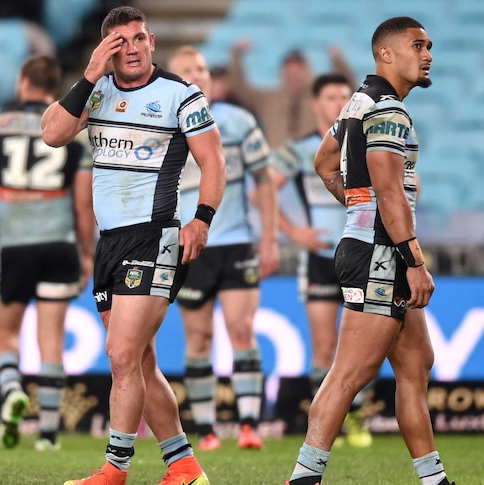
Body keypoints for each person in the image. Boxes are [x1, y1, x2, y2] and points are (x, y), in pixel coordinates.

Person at [42, 7, 225, 485]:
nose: (132, 47)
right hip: (110, 243)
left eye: (140, 37)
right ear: (106, 48)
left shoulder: (180, 95)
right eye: (120, 40)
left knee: (122, 355)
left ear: (152, 42)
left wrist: (201, 220)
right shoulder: (97, 91)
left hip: (156, 235)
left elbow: (214, 162)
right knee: (140, 360)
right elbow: (52, 133)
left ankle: (113, 471)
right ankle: (184, 466)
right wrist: (87, 75)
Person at [286, 17, 453, 485]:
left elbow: (323, 162)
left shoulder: (359, 101)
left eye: (430, 46)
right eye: (418, 45)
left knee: (416, 364)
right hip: (384, 253)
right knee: (349, 374)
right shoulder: (388, 110)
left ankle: (434, 479)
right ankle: (303, 477)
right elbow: (390, 192)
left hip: (375, 245)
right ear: (387, 54)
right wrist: (415, 261)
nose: (428, 55)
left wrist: (357, 208)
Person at [0, 55, 95, 452]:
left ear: (23, 82)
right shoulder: (72, 129)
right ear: (54, 88)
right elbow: (82, 203)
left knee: (5, 334)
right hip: (59, 245)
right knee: (51, 340)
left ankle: (10, 392)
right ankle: (49, 435)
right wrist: (87, 253)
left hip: (14, 244)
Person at [167, 45, 278, 452]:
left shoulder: (238, 121)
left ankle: (249, 425)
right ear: (174, 78)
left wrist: (268, 239)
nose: (197, 74)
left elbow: (265, 181)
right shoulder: (163, 122)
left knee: (241, 329)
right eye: (187, 70)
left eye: (201, 68)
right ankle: (207, 430)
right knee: (198, 340)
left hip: (235, 243)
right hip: (188, 245)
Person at [266, 73, 373, 448]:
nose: (339, 102)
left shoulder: (365, 143)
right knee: (325, 346)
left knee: (360, 349)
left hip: (361, 255)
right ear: (316, 104)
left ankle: (356, 420)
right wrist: (294, 233)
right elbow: (264, 190)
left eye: (345, 96)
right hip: (319, 258)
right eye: (331, 97)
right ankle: (327, 427)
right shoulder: (299, 149)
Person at [227, 42, 355, 148]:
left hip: (311, 164)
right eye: (289, 71)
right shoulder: (268, 99)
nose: (293, 76)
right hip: (277, 164)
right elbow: (240, 89)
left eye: (298, 71)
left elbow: (348, 94)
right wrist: (236, 56)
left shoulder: (320, 97)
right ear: (282, 73)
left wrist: (338, 61)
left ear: (308, 71)